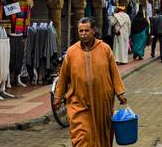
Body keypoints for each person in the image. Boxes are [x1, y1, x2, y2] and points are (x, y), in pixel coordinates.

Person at [53, 17, 126, 147]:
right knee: (82, 138)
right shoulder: (71, 52)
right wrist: (58, 97)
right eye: (81, 31)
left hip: (102, 103)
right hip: (79, 103)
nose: (83, 34)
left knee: (103, 137)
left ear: (93, 31)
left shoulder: (105, 49)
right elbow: (63, 77)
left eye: (86, 31)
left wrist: (119, 92)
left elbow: (114, 72)